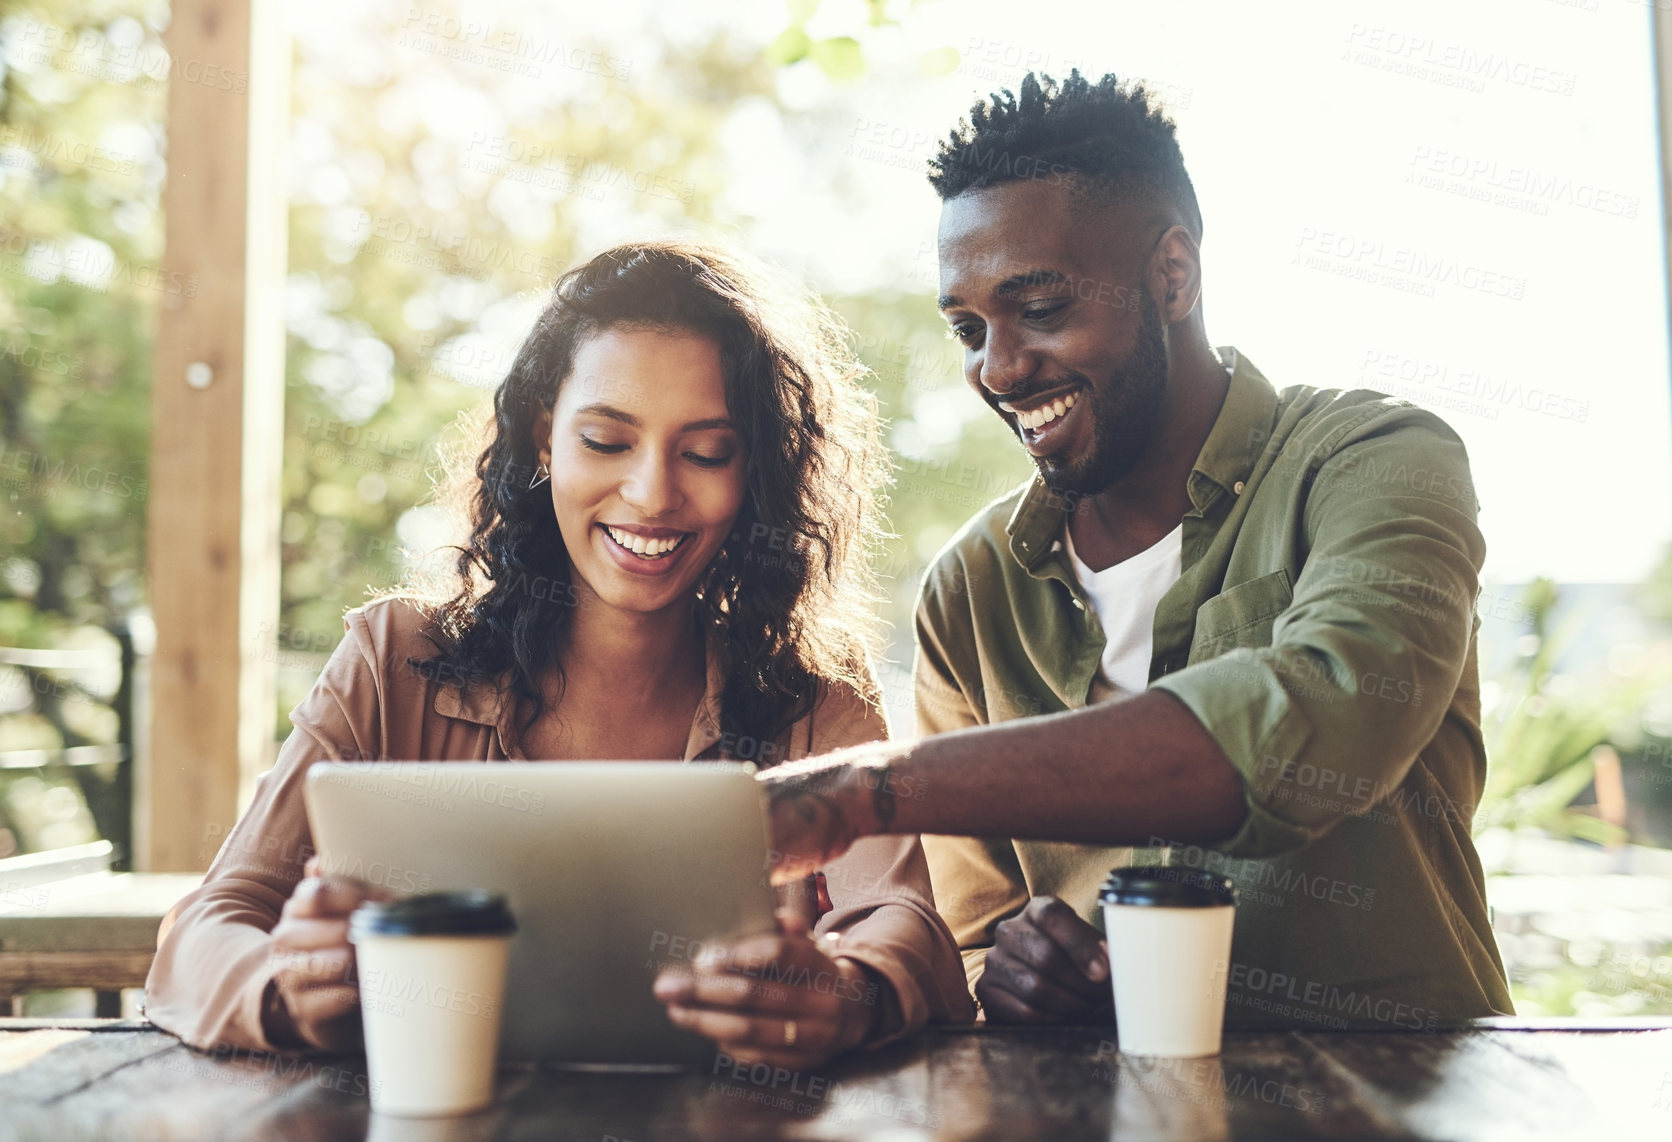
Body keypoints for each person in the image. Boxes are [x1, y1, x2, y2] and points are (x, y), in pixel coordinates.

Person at [759, 71, 1513, 1031]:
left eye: (1039, 309)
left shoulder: (1371, 460)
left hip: (1398, 1098)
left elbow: (1325, 711)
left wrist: (859, 791)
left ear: (1172, 275)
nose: (996, 368)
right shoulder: (972, 589)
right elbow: (977, 932)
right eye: (968, 327)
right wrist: (1016, 971)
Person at [145, 241, 972, 1066]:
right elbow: (215, 919)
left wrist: (845, 996)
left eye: (706, 452)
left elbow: (903, 922)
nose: (652, 493)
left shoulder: (811, 693)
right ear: (545, 440)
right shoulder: (392, 658)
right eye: (607, 442)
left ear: (754, 469)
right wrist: (287, 993)